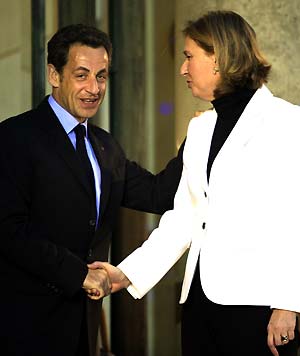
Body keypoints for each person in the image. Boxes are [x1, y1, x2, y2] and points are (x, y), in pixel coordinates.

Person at [91, 10, 300, 356]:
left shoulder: (287, 122)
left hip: (258, 309)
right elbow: (184, 219)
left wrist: (289, 302)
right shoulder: (200, 129)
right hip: (198, 303)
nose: (183, 69)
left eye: (190, 57)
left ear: (218, 57)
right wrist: (125, 274)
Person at [0, 24, 183, 356]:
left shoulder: (105, 146)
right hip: (23, 326)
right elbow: (8, 231)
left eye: (101, 76)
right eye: (81, 75)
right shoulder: (14, 137)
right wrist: (77, 274)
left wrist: (200, 138)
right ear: (54, 75)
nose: (94, 88)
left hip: (84, 330)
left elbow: (160, 193)